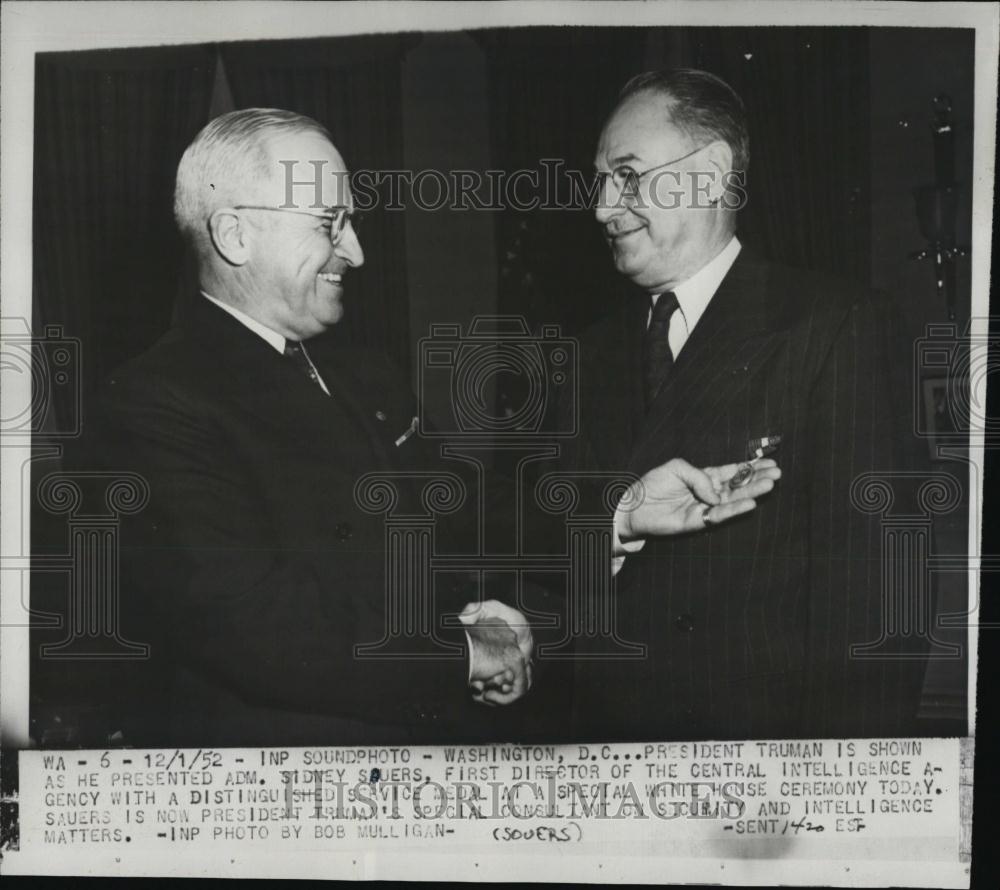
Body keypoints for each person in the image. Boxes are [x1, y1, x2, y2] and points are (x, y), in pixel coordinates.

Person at [95, 108, 778, 747]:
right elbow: (255, 627)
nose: (356, 252)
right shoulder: (154, 401)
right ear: (235, 235)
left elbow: (457, 509)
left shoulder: (364, 373)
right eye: (329, 223)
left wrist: (619, 513)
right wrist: (466, 653)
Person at [561, 69, 926, 741]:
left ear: (709, 173)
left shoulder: (836, 324)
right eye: (601, 181)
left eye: (628, 174)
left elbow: (877, 606)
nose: (602, 207)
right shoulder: (587, 353)